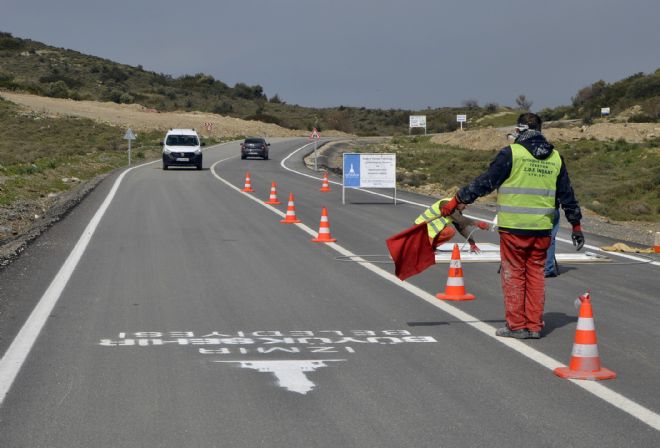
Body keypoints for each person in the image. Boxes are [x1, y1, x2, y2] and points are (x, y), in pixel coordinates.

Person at [440, 113, 584, 339]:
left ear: (519, 130)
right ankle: (534, 326)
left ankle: (517, 326)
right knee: (535, 274)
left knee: (514, 274)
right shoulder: (555, 157)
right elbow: (567, 194)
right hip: (542, 229)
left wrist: (457, 200)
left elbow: (484, 182)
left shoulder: (512, 154)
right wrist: (576, 225)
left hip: (514, 228)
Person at [415, 197, 490, 253]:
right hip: (420, 229)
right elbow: (459, 218)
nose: (466, 207)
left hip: (432, 232)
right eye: (465, 204)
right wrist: (477, 223)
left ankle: (431, 247)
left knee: (450, 231)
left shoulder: (457, 211)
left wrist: (472, 243)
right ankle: (423, 247)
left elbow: (462, 228)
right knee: (423, 253)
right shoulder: (445, 204)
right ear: (460, 202)